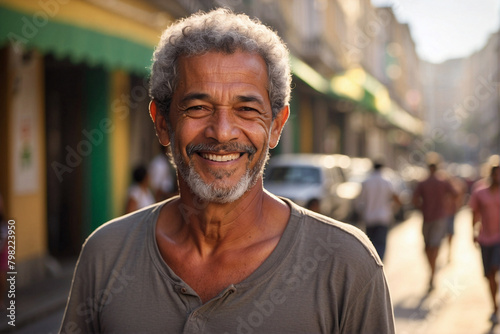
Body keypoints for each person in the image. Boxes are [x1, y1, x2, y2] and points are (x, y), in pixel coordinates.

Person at [60, 8, 394, 333]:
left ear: (276, 126)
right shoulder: (105, 254)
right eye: (198, 108)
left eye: (246, 109)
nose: (222, 132)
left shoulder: (348, 265)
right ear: (162, 124)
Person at [412, 156, 457, 292]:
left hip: (431, 218)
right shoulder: (440, 182)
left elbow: (414, 200)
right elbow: (455, 194)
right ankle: (432, 271)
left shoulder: (427, 182)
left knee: (430, 247)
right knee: (431, 247)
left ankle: (431, 274)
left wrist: (423, 208)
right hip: (435, 217)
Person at [469, 165, 500, 324]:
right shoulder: (480, 192)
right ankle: (495, 306)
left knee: (495, 267)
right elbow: (474, 213)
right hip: (486, 238)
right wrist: (473, 232)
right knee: (489, 275)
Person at [356, 160, 400, 261]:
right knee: (380, 245)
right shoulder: (387, 181)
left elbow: (360, 201)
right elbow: (397, 198)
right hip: (383, 217)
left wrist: (360, 214)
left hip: (370, 217)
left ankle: (372, 266)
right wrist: (393, 209)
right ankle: (379, 267)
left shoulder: (367, 182)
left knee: (370, 245)